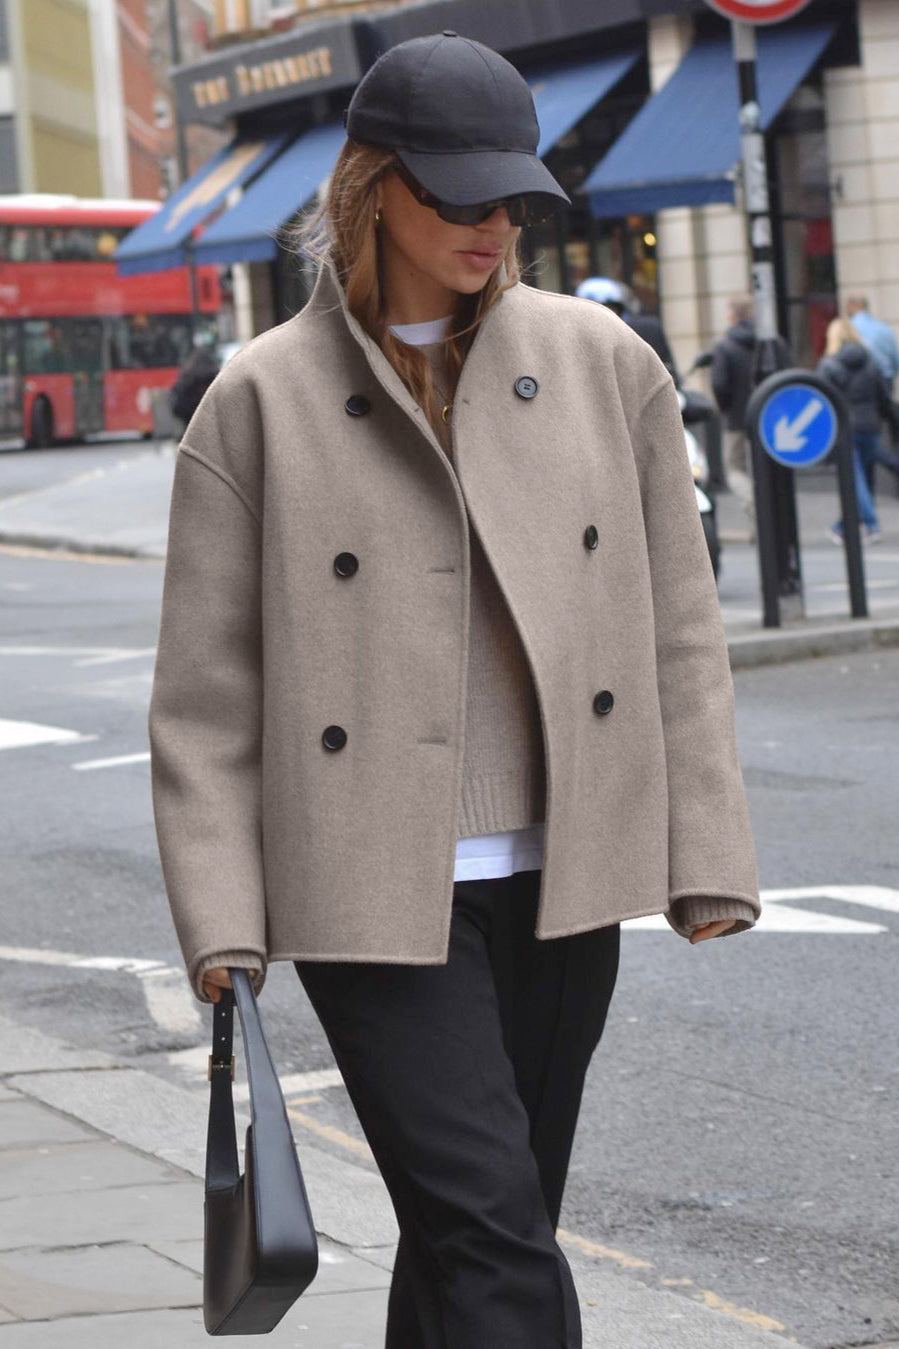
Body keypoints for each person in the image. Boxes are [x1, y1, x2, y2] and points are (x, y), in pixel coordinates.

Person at [148, 32, 760, 1349]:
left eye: (512, 198)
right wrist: (222, 920)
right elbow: (205, 695)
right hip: (368, 884)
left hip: (562, 873)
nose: (495, 226)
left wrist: (704, 852)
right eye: (460, 196)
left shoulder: (603, 365)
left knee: (479, 1228)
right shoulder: (259, 401)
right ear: (372, 191)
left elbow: (676, 626)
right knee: (492, 1238)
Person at [818, 316, 899, 545]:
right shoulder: (870, 362)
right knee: (863, 479)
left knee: (855, 481)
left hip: (845, 429)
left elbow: (822, 402)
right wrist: (893, 425)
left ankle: (871, 525)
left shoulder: (829, 365)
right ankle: (843, 526)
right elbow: (884, 398)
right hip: (870, 426)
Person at [711, 296, 792, 523]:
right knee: (766, 470)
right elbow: (788, 374)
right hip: (773, 419)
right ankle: (768, 518)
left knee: (734, 469)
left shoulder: (726, 346)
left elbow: (719, 384)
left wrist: (727, 408)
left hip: (737, 419)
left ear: (733, 315)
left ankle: (756, 504)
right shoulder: (772, 342)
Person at [576, 275, 679, 384]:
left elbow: (668, 376)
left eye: (610, 308)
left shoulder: (646, 331)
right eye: (593, 312)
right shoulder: (574, 342)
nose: (604, 317)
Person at [847, 292, 899, 393]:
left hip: (860, 383)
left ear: (852, 305)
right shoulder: (884, 327)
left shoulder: (848, 329)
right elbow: (895, 359)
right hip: (885, 378)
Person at [168, 343, 220, 431]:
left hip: (189, 419)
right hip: (210, 420)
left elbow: (177, 397)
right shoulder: (214, 377)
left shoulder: (187, 376)